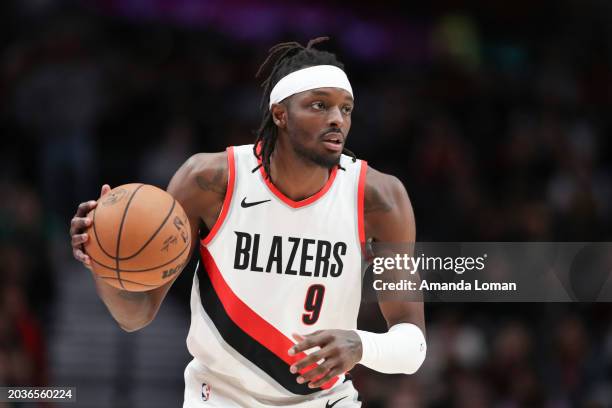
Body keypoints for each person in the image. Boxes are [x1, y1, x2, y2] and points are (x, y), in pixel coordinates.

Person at [70, 37, 426, 407]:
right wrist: (102, 257)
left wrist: (362, 344)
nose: (337, 118)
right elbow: (136, 314)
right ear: (280, 113)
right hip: (220, 396)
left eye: (346, 109)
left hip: (324, 399)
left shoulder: (381, 199)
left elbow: (413, 345)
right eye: (319, 105)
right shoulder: (209, 181)